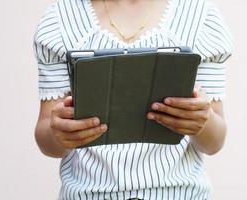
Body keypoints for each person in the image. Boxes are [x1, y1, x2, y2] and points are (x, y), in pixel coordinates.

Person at [33, 0, 233, 199]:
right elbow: (47, 140)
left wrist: (203, 119)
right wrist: (59, 132)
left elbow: (214, 142)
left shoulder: (199, 17)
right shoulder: (60, 21)